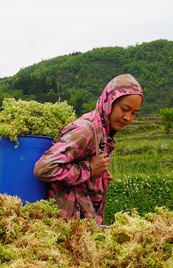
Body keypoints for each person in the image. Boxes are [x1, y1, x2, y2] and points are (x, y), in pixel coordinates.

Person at [33, 74, 143, 224]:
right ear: (109, 102)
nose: (128, 117)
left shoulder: (103, 131)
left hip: (82, 223)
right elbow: (44, 168)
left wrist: (99, 176)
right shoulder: (85, 131)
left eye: (134, 113)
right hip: (65, 225)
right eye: (124, 109)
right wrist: (89, 169)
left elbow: (80, 161)